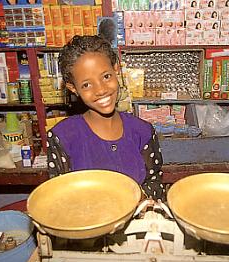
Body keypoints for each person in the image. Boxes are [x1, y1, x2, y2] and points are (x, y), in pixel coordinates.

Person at [47, 35, 166, 201]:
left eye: (106, 76)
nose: (101, 90)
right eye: (87, 85)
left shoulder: (143, 131)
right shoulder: (63, 137)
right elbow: (59, 197)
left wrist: (139, 196)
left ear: (116, 69)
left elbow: (155, 183)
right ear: (73, 88)